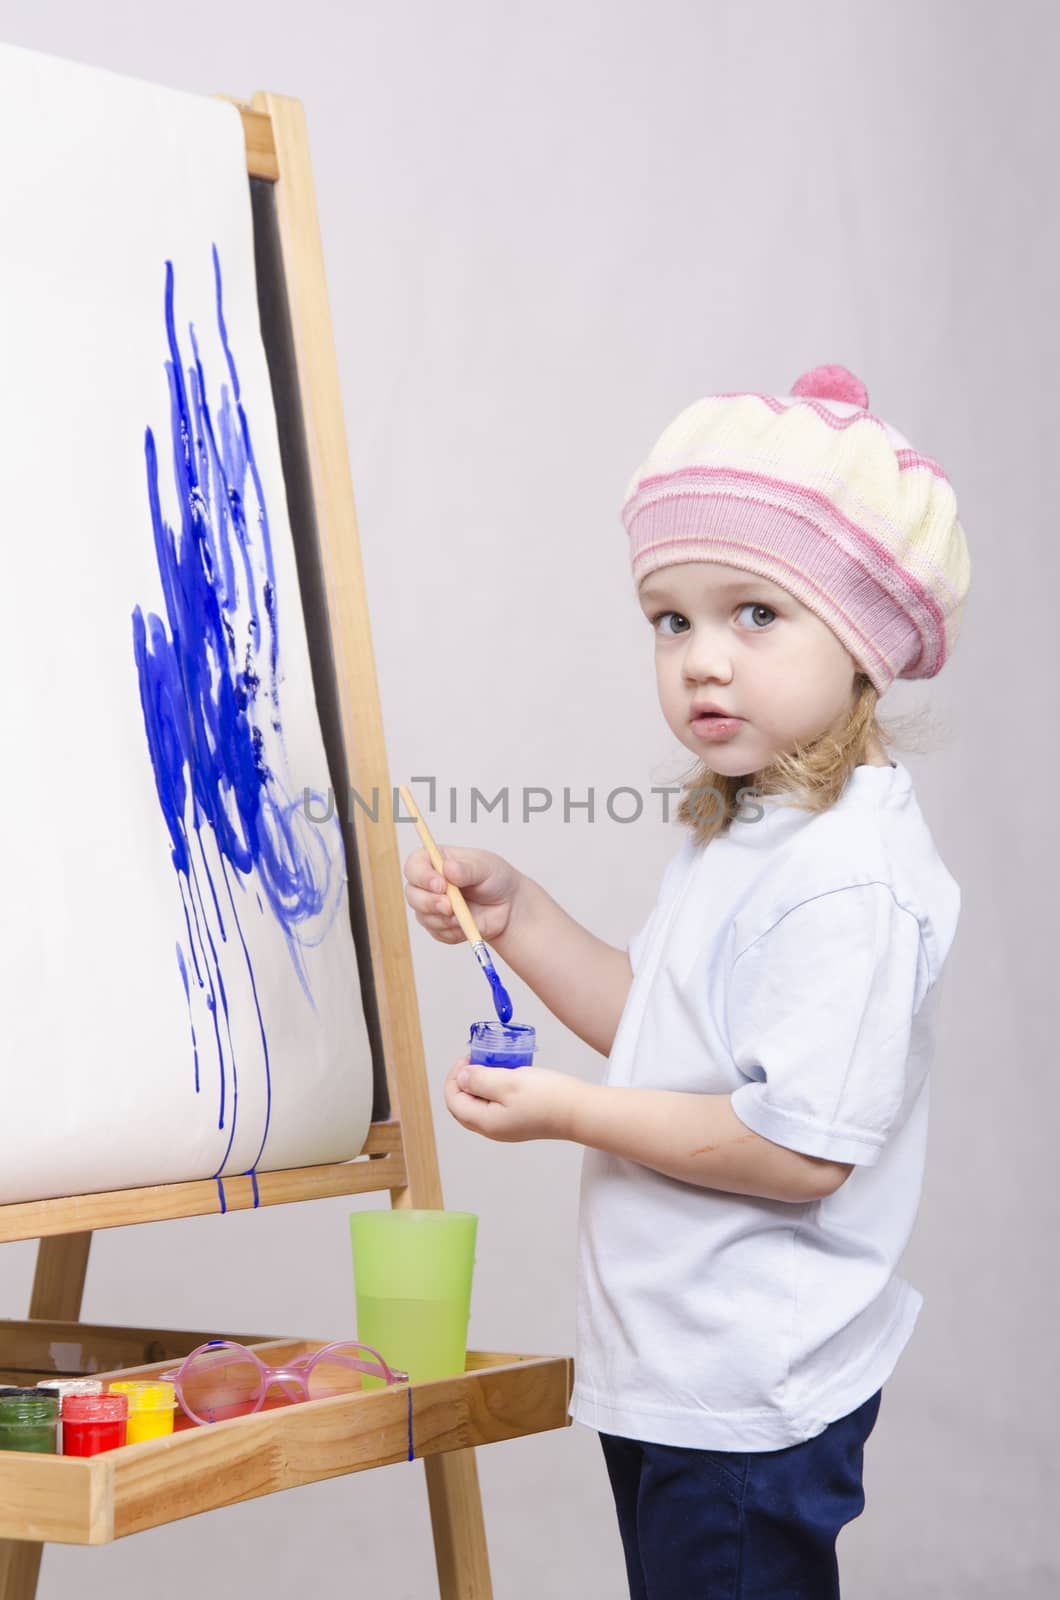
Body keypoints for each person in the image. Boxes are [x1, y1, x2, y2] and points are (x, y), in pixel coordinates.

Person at [403, 364, 970, 1598]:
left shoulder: (848, 876)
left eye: (755, 614)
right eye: (671, 620)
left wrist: (563, 1111)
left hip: (745, 1394)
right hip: (676, 1371)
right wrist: (524, 918)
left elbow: (796, 1150)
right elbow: (667, 1039)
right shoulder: (750, 826)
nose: (703, 660)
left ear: (861, 638)